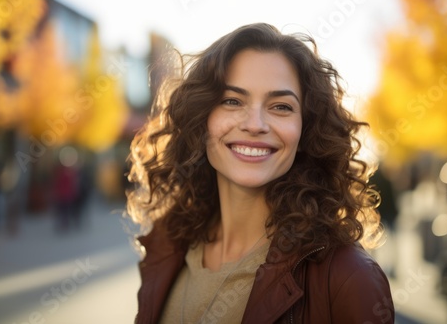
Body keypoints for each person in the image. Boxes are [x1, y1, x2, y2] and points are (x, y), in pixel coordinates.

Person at [127, 23, 394, 324]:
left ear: (306, 130)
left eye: (280, 107)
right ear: (201, 120)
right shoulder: (167, 245)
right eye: (232, 101)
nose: (255, 124)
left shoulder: (348, 278)